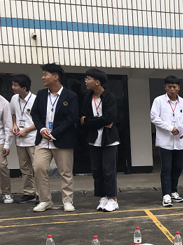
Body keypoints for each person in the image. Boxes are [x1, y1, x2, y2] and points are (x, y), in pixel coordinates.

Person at [31, 64, 80, 212]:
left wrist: (55, 133)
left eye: (45, 74)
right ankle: (45, 200)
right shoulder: (41, 94)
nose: (43, 77)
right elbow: (35, 114)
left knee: (65, 172)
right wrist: (42, 129)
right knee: (39, 168)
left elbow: (72, 117)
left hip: (63, 139)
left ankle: (67, 201)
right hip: (43, 140)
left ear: (56, 77)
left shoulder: (70, 96)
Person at [81, 68, 120, 212]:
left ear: (97, 82)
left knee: (109, 170)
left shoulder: (109, 97)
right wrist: (98, 121)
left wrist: (90, 120)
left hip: (109, 139)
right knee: (97, 170)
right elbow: (83, 119)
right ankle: (103, 197)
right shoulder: (87, 98)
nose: (86, 81)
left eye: (88, 79)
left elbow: (109, 118)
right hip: (94, 138)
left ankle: (113, 199)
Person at [150, 75, 183, 207]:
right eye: (169, 87)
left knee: (177, 168)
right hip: (165, 141)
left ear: (179, 88)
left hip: (179, 141)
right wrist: (169, 128)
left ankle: (174, 191)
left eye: (174, 87)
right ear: (165, 87)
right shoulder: (159, 101)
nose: (172, 89)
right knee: (166, 168)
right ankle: (166, 195)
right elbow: (154, 118)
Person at [8, 75, 37, 204]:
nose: (13, 87)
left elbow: (40, 121)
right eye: (12, 84)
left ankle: (41, 194)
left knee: (37, 167)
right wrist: (14, 125)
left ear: (24, 88)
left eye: (15, 85)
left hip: (33, 138)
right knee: (24, 168)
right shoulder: (14, 98)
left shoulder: (35, 100)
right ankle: (29, 193)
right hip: (20, 140)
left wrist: (26, 130)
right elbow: (13, 114)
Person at [0, 78, 14, 204]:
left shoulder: (4, 103)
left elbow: (8, 125)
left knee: (2, 166)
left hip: (0, 139)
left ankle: (6, 193)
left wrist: (7, 144)